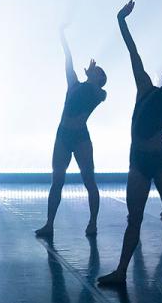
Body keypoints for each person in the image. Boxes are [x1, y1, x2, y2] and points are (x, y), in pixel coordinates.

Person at [96, 1, 162, 290]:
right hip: (138, 160)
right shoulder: (146, 88)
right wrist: (122, 21)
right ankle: (121, 271)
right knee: (134, 218)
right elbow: (134, 54)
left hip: (160, 161)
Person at [35, 25, 108, 238]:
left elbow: (98, 92)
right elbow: (68, 60)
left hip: (80, 137)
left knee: (89, 180)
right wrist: (62, 37)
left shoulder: (99, 92)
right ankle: (49, 224)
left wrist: (91, 78)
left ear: (99, 79)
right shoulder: (74, 85)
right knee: (57, 181)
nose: (94, 70)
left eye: (98, 72)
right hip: (63, 135)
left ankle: (93, 222)